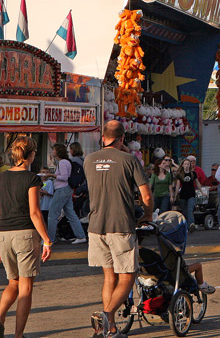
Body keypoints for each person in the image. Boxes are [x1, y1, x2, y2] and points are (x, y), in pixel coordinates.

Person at [85, 120, 152, 338]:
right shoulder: (129, 159)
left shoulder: (89, 159)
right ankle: (106, 315)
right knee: (127, 277)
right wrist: (148, 214)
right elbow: (147, 195)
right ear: (122, 138)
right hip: (121, 225)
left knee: (109, 277)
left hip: (96, 227)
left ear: (103, 138)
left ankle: (110, 329)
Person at [0, 137, 53, 338]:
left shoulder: (2, 177)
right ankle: (19, 335)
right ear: (31, 155)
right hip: (25, 234)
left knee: (12, 283)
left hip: (3, 234)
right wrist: (46, 239)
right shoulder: (32, 178)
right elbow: (35, 213)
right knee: (25, 288)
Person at [46, 143, 87, 245]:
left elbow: (64, 177)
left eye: (54, 150)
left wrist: (52, 175)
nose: (52, 152)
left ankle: (50, 239)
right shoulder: (67, 161)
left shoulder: (62, 163)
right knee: (70, 213)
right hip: (67, 189)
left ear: (58, 151)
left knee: (53, 214)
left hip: (62, 189)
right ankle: (81, 235)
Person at [174, 158, 200, 223]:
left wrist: (201, 191)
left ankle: (191, 224)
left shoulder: (193, 173)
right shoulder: (180, 174)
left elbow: (197, 182)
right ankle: (186, 226)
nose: (186, 165)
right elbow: (177, 185)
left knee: (190, 210)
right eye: (185, 164)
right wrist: (175, 195)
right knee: (184, 212)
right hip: (183, 195)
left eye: (188, 164)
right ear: (182, 165)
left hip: (191, 194)